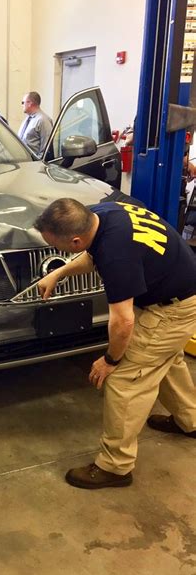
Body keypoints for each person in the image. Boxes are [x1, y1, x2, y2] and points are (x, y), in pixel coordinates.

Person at [34, 198, 196, 489]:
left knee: (126, 379)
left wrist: (109, 360)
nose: (57, 252)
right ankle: (191, 421)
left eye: (57, 247)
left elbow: (123, 323)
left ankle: (115, 466)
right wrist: (58, 273)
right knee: (164, 360)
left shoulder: (116, 254)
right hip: (180, 292)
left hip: (172, 308)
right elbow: (91, 254)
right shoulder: (101, 214)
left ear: (75, 240)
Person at [18, 91, 53, 159]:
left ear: (30, 103)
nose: (22, 105)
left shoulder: (43, 120)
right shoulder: (27, 120)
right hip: (23, 162)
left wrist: (37, 164)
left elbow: (46, 149)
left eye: (23, 102)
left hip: (34, 164)